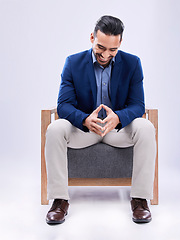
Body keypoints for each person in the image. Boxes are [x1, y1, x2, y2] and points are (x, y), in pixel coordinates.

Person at [45, 15, 156, 225]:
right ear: (91, 38)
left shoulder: (133, 63)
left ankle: (140, 200)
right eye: (101, 47)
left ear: (120, 43)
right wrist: (85, 120)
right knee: (55, 128)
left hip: (118, 130)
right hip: (84, 131)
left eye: (112, 50)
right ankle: (59, 200)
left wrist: (119, 117)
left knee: (146, 127)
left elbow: (138, 105)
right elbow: (64, 104)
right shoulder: (73, 62)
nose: (105, 55)